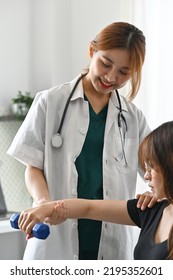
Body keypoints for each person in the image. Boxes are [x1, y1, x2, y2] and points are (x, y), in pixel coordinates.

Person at [7, 22, 153, 260]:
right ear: (92, 51)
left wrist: (154, 193)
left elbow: (157, 170)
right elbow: (33, 166)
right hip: (54, 234)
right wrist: (43, 202)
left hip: (112, 242)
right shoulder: (50, 102)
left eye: (124, 72)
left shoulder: (132, 117)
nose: (110, 77)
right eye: (105, 63)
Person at [18, 121, 173, 260]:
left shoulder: (150, 209)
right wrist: (46, 208)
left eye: (151, 167)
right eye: (145, 168)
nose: (146, 176)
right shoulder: (150, 210)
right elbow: (88, 208)